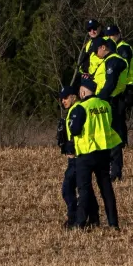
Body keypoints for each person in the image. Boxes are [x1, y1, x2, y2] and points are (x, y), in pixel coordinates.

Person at [67, 77, 121, 229]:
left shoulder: (81, 107)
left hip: (86, 153)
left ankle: (80, 222)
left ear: (83, 92)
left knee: (84, 189)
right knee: (106, 188)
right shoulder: (105, 105)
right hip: (104, 152)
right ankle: (113, 223)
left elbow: (74, 129)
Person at [87, 38, 131, 181]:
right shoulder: (107, 61)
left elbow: (110, 84)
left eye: (96, 51)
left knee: (113, 136)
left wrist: (98, 100)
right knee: (105, 136)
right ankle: (108, 169)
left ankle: (115, 171)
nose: (95, 54)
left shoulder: (114, 60)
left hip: (111, 102)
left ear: (103, 47)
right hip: (106, 101)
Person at [56, 84, 97, 228]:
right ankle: (93, 218)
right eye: (61, 98)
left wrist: (71, 147)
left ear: (74, 96)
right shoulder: (73, 110)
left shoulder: (78, 109)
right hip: (78, 156)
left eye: (66, 97)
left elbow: (77, 132)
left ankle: (74, 218)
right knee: (85, 189)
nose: (63, 101)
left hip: (78, 157)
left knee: (68, 189)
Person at [103, 24, 133, 179]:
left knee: (117, 127)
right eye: (108, 35)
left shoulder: (123, 48)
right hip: (115, 91)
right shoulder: (111, 49)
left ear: (119, 34)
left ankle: (117, 160)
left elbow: (123, 69)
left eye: (113, 35)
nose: (111, 38)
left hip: (123, 91)